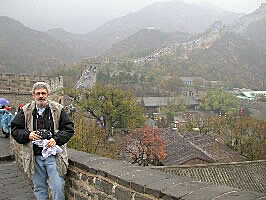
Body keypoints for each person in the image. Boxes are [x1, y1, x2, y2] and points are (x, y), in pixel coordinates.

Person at [11, 82, 74, 200]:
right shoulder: (25, 111)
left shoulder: (57, 109)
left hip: (54, 156)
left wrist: (56, 139)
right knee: (39, 187)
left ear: (48, 95)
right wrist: (28, 135)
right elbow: (15, 130)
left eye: (43, 93)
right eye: (38, 93)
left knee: (58, 186)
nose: (41, 96)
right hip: (34, 156)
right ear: (33, 95)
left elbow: (68, 128)